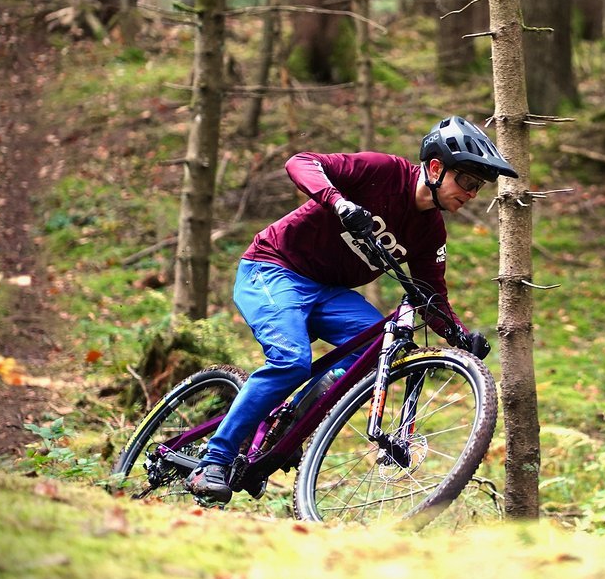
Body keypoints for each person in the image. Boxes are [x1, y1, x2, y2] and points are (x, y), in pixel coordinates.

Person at [186, 116, 518, 504]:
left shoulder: (430, 232)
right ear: (434, 167)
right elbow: (301, 162)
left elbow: (431, 295)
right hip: (273, 268)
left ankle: (290, 419)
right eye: (466, 181)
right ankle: (214, 459)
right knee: (291, 361)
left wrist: (458, 335)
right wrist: (339, 202)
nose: (472, 193)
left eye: (478, 186)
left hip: (329, 292)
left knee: (382, 350)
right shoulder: (383, 171)